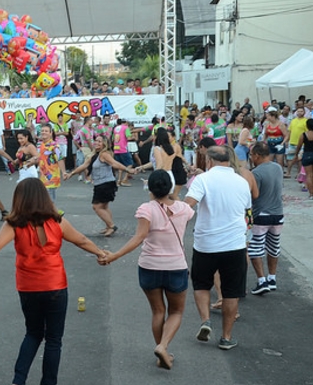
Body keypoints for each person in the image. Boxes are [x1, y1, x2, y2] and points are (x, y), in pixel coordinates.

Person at [0, 178, 107, 385]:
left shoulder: (14, 224)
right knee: (53, 339)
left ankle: (18, 381)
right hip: (55, 286)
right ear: (44, 197)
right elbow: (80, 240)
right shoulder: (57, 221)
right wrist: (101, 253)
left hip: (28, 287)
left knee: (33, 333)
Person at [101, 171, 194, 369]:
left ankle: (161, 349)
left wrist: (114, 256)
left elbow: (138, 238)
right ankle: (163, 346)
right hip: (176, 266)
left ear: (150, 188)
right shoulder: (185, 209)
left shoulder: (146, 209)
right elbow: (181, 213)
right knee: (176, 311)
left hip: (150, 265)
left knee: (158, 310)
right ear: (169, 187)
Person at [184, 146, 251, 351]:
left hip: (206, 244)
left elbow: (188, 206)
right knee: (232, 292)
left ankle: (205, 320)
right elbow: (247, 212)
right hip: (234, 244)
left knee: (201, 284)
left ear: (209, 161)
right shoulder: (242, 182)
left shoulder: (203, 180)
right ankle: (226, 337)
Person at [65, 135, 134, 237]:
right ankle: (108, 226)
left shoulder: (104, 154)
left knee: (97, 207)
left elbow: (114, 164)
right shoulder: (95, 155)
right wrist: (71, 173)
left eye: (99, 141)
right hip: (100, 184)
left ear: (104, 144)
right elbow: (84, 165)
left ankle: (111, 226)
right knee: (104, 206)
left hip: (105, 184)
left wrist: (128, 170)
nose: (96, 143)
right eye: (96, 141)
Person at [247, 143, 285, 295]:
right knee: (274, 247)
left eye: (251, 155)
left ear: (256, 155)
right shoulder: (278, 168)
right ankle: (272, 278)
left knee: (255, 249)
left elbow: (254, 195)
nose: (251, 158)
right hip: (278, 214)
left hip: (260, 215)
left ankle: (262, 280)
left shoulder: (255, 173)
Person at [295, 118, 313, 200]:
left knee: (309, 175)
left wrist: (296, 154)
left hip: (307, 154)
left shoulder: (304, 135)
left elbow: (299, 146)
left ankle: (311, 194)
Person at [37, 124, 66, 203]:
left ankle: (56, 214)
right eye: (42, 131)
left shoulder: (54, 145)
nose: (44, 132)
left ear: (51, 133)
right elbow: (40, 157)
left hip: (52, 178)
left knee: (49, 201)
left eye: (46, 131)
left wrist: (63, 172)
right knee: (45, 201)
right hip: (43, 177)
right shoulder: (41, 144)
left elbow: (59, 158)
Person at [286, 107, 308, 178]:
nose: (299, 112)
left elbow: (307, 132)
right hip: (292, 142)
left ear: (304, 112)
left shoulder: (306, 121)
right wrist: (287, 140)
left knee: (299, 159)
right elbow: (289, 131)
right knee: (289, 158)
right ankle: (288, 172)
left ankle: (299, 173)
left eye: (301, 111)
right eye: (298, 111)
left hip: (302, 143)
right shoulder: (293, 121)